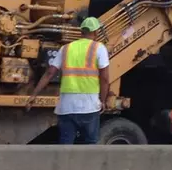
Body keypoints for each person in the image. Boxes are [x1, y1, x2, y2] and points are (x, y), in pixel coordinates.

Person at [26, 16, 110, 144]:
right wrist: (102, 100)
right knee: (90, 144)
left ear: (81, 32)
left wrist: (34, 95)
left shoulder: (66, 48)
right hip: (89, 106)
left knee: (65, 145)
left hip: (66, 107)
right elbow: (104, 78)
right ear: (96, 32)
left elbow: (49, 73)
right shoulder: (99, 48)